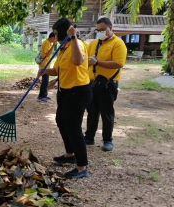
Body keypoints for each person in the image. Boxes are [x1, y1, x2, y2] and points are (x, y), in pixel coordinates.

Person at [40, 18, 92, 179]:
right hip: (65, 91)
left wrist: (74, 37)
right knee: (61, 121)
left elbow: (78, 61)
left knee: (73, 128)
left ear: (64, 32)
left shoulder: (78, 45)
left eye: (57, 33)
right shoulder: (63, 48)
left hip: (78, 92)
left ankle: (82, 167)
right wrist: (45, 71)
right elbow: (57, 70)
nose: (55, 37)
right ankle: (70, 154)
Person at [85, 17, 127, 152]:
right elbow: (86, 59)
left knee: (107, 113)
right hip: (92, 83)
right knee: (92, 111)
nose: (100, 32)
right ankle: (89, 137)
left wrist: (97, 63)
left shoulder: (118, 44)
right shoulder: (94, 43)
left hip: (107, 84)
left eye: (103, 30)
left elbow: (118, 63)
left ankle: (107, 140)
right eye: (98, 30)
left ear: (110, 28)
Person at [37, 32, 56, 102]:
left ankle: (44, 95)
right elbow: (48, 54)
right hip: (44, 65)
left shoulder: (48, 43)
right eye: (55, 38)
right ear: (52, 37)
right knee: (45, 81)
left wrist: (52, 45)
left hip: (47, 64)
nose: (55, 40)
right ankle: (41, 96)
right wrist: (53, 45)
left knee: (46, 80)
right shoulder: (46, 43)